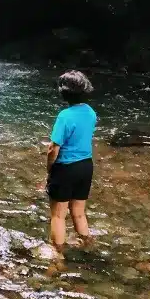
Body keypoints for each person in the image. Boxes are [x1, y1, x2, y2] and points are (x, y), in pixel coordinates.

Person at [46, 70, 96, 254]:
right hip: (86, 166)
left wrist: (49, 170)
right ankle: (88, 247)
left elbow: (53, 149)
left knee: (58, 216)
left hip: (66, 167)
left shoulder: (64, 116)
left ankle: (58, 256)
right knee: (79, 212)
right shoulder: (90, 112)